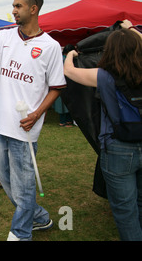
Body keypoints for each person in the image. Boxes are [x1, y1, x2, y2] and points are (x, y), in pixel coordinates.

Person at [0, 0, 66, 240]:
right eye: (13, 6)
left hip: (25, 130)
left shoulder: (50, 46)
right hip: (0, 126)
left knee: (24, 186)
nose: (13, 10)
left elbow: (57, 87)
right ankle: (39, 217)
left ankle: (20, 232)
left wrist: (38, 114)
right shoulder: (3, 37)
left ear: (33, 9)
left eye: (18, 6)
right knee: (7, 182)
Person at [64, 21, 142, 241]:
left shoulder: (104, 76)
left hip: (118, 149)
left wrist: (71, 53)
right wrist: (132, 30)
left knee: (125, 210)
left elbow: (68, 71)